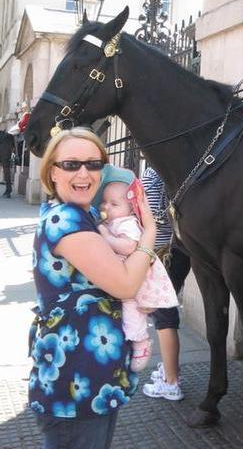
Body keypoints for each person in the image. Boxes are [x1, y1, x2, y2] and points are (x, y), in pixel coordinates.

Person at [28, 127, 157, 449]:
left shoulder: (83, 215)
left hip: (90, 375)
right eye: (71, 164)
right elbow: (126, 284)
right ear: (53, 172)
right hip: (76, 380)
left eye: (94, 164)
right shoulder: (66, 221)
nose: (84, 172)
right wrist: (151, 233)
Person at [97, 173, 178, 373]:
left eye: (114, 204)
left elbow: (128, 246)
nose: (106, 207)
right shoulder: (112, 221)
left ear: (130, 208)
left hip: (139, 270)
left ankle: (140, 343)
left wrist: (105, 236)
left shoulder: (127, 223)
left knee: (134, 310)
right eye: (105, 202)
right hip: (124, 270)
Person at [141, 166, 191, 402]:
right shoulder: (179, 169)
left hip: (161, 256)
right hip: (179, 252)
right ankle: (171, 370)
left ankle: (171, 382)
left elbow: (150, 216)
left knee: (164, 319)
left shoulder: (154, 173)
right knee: (166, 315)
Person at [0, 128, 15, 198]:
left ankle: (8, 190)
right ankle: (8, 190)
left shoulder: (6, 135)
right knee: (6, 169)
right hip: (6, 147)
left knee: (6, 169)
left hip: (4, 147)